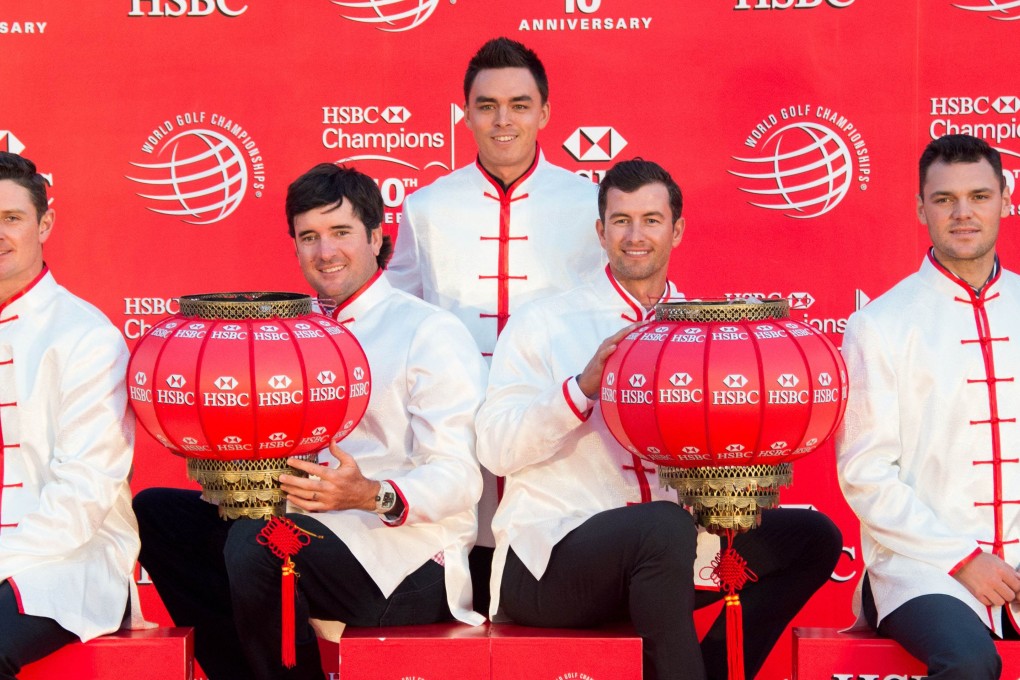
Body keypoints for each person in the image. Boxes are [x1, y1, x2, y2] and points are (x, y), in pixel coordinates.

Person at [476, 158, 842, 680]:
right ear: (601, 233)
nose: (635, 235)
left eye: (651, 219)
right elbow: (495, 449)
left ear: (677, 230)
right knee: (663, 526)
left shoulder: (699, 331)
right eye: (621, 221)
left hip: (668, 558)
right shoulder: (545, 322)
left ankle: (711, 672)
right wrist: (580, 391)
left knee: (812, 536)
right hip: (549, 565)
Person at [134, 163, 488, 680]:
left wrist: (369, 493)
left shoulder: (428, 330)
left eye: (341, 232)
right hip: (303, 529)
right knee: (159, 512)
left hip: (406, 557)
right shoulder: (295, 331)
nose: (325, 252)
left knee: (257, 542)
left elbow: (460, 477)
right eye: (309, 237)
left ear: (375, 236)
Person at [388, 36, 605, 611]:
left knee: (544, 584)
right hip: (451, 428)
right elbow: (396, 313)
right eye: (486, 106)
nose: (502, 120)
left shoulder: (592, 206)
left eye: (518, 104)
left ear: (545, 112)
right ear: (465, 113)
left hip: (556, 428)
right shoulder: (427, 206)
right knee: (466, 576)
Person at [836, 133, 1020, 679]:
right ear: (922, 209)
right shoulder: (880, 325)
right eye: (944, 200)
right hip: (924, 568)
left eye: (979, 197)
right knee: (966, 663)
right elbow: (866, 475)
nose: (963, 213)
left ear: (1006, 200)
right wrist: (964, 559)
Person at [0, 151, 141, 679]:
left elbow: (80, 497)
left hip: (68, 564)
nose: (0, 234)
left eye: (11, 218)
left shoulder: (87, 337)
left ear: (45, 223)